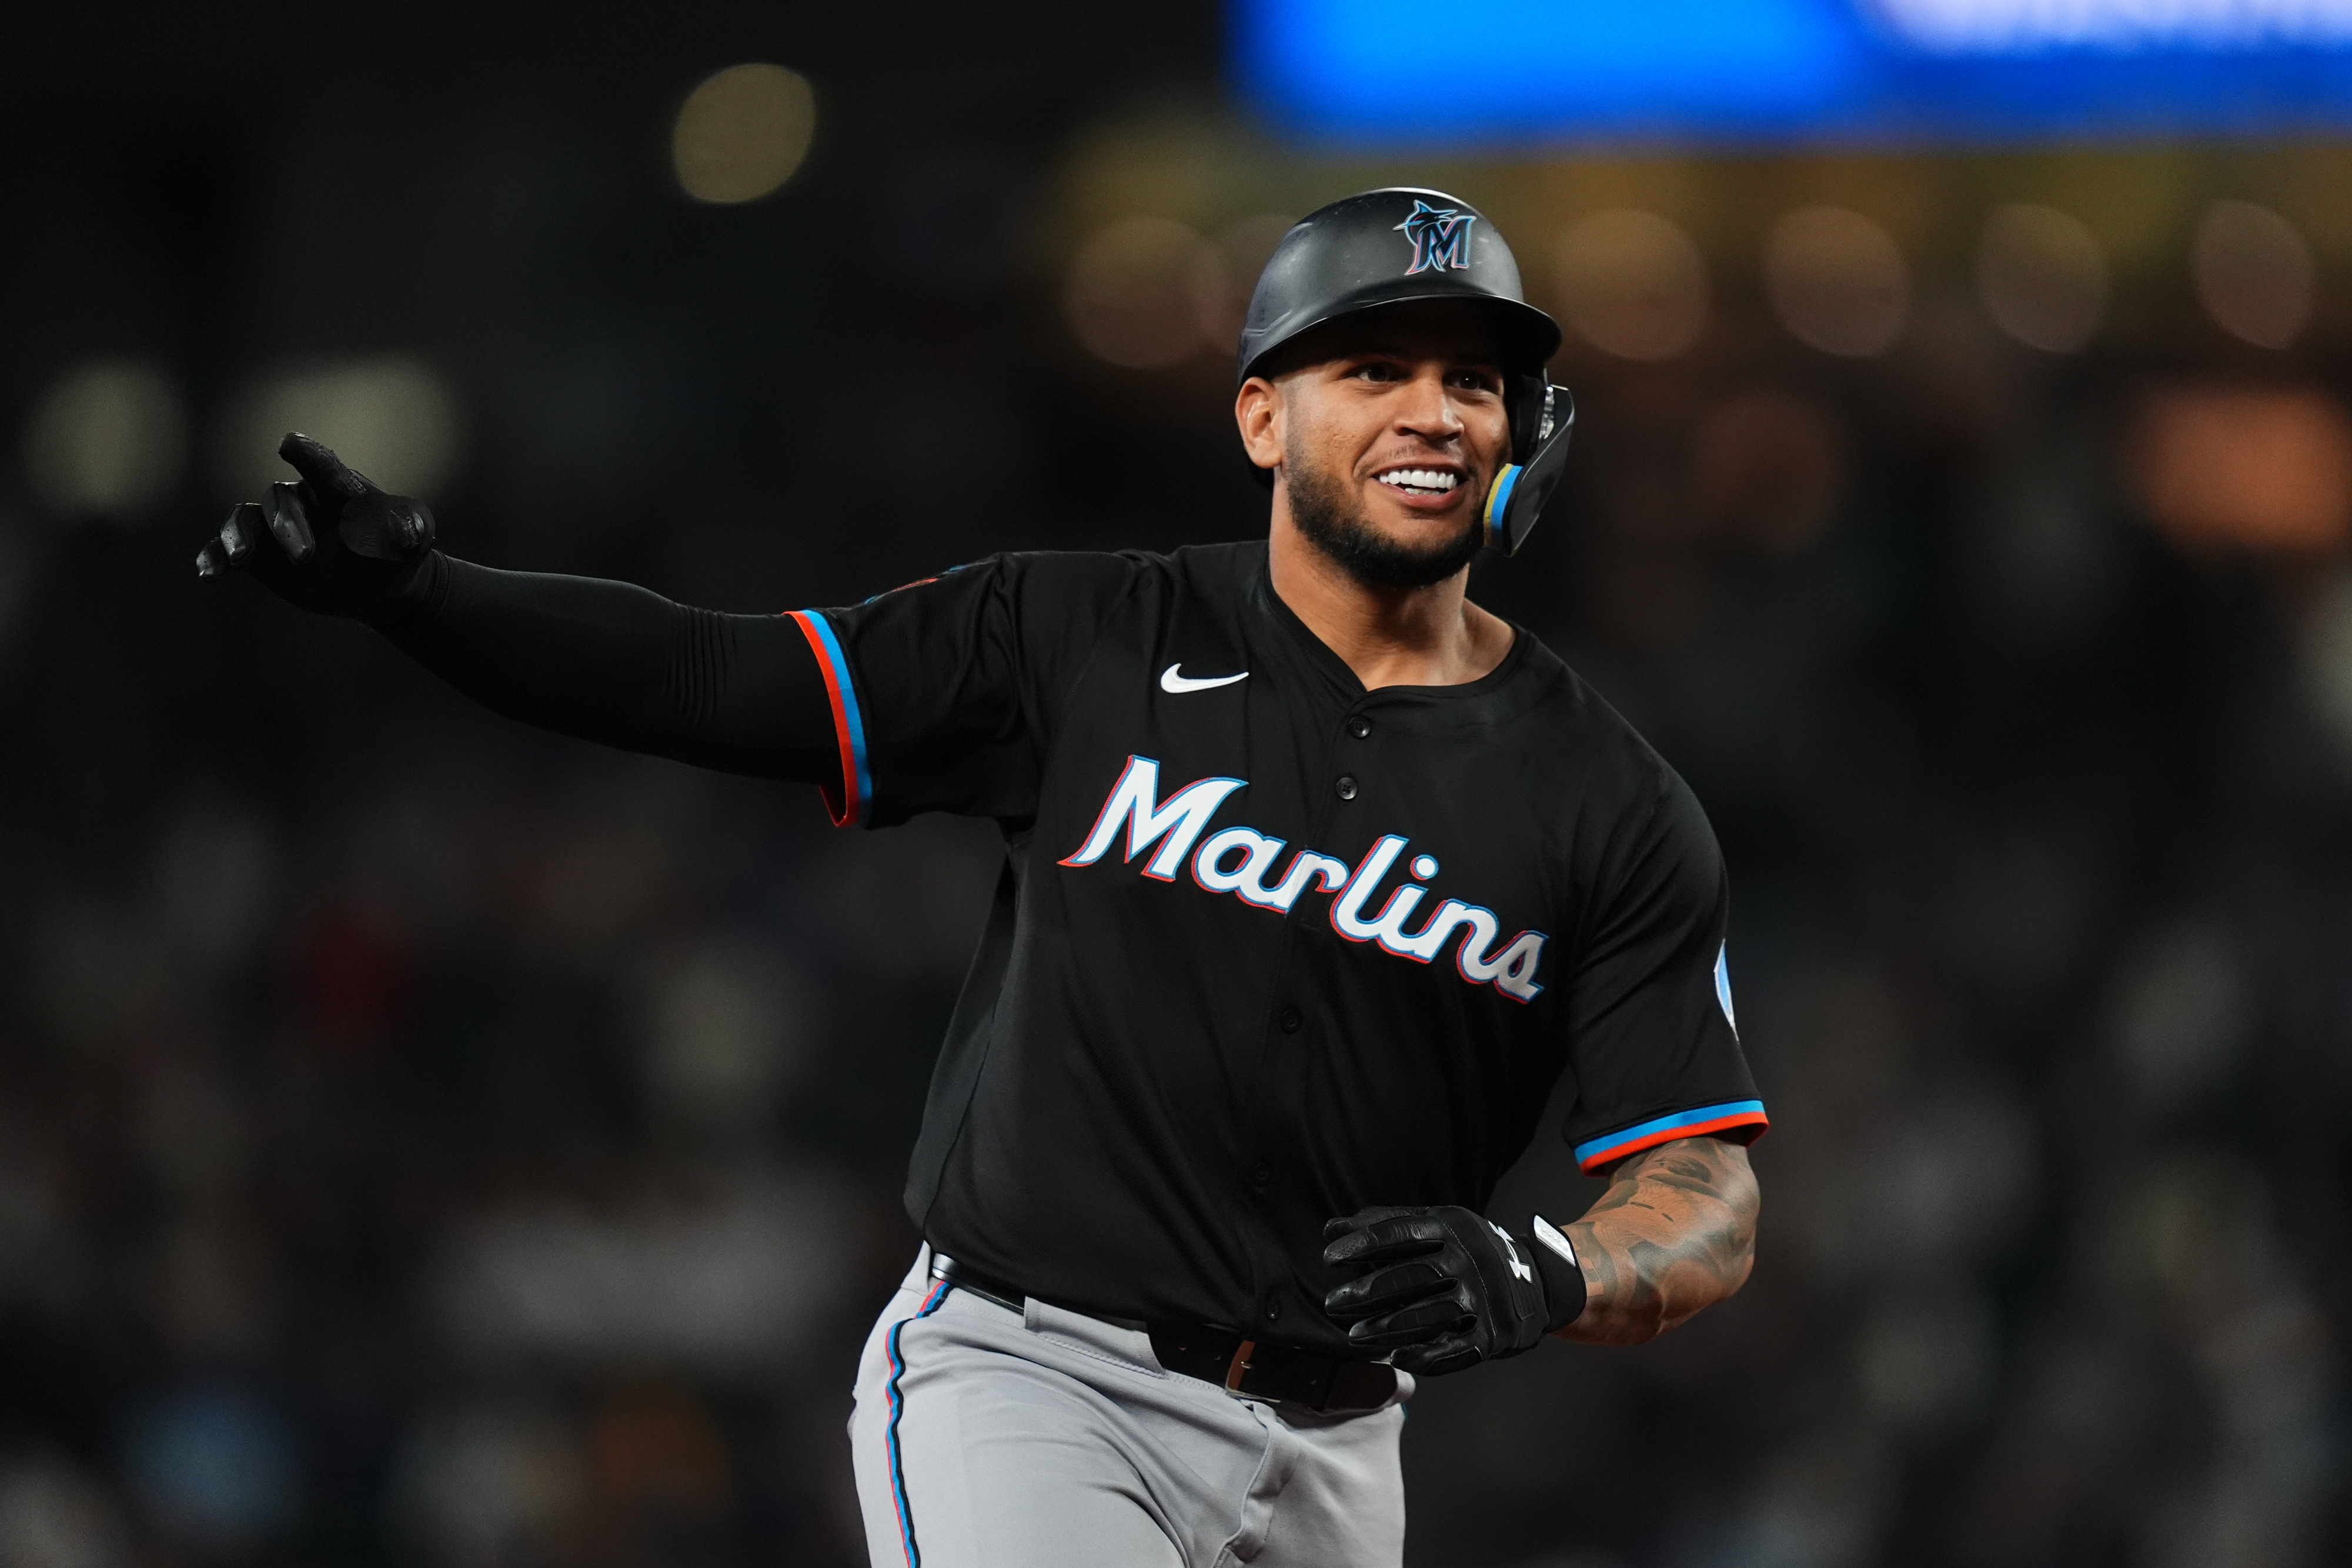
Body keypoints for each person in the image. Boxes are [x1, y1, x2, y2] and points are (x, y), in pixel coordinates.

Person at [198, 187, 1766, 1568]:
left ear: (1520, 439)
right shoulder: (1082, 639)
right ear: (1262, 417)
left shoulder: (1610, 803)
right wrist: (427, 594)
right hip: (1043, 1377)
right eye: (1374, 368)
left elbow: (1705, 1192)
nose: (1434, 412)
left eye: (1473, 380)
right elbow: (719, 675)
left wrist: (1547, 1266)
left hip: (1345, 1453)